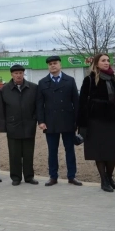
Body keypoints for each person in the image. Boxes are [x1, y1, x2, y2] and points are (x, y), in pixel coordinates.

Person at [37, 56, 82, 187]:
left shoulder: (70, 80)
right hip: (50, 122)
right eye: (50, 64)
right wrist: (41, 121)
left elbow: (76, 102)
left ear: (60, 65)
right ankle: (53, 176)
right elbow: (39, 104)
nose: (53, 66)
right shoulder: (42, 82)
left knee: (70, 150)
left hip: (68, 120)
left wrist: (77, 121)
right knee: (52, 151)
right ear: (48, 66)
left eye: (55, 63)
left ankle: (72, 176)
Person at [77, 53, 115, 192]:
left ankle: (110, 177)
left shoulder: (112, 78)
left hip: (112, 120)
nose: (106, 62)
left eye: (108, 60)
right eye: (103, 60)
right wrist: (81, 124)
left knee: (112, 152)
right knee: (99, 152)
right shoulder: (90, 79)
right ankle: (104, 180)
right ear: (97, 63)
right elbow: (82, 102)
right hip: (95, 121)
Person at [0, 64, 39, 186]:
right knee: (14, 154)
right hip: (12, 125)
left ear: (23, 74)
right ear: (11, 75)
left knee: (28, 153)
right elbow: (1, 109)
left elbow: (38, 106)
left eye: (20, 73)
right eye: (16, 73)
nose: (18, 75)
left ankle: (29, 176)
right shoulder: (4, 90)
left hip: (29, 125)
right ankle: (16, 177)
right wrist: (3, 126)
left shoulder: (33, 88)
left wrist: (35, 119)